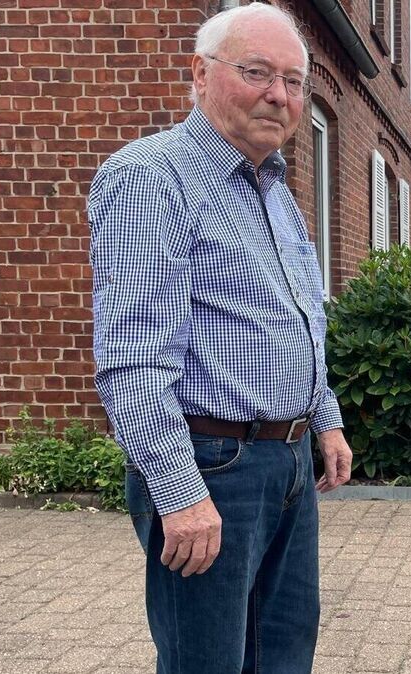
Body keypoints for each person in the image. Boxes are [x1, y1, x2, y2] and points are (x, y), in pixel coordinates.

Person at [87, 4, 351, 672]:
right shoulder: (153, 177)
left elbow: (300, 315)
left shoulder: (273, 188)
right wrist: (178, 492)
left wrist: (324, 420)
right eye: (257, 72)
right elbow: (133, 358)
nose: (278, 95)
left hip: (286, 464)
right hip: (212, 468)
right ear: (200, 75)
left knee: (284, 654)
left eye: (294, 82)